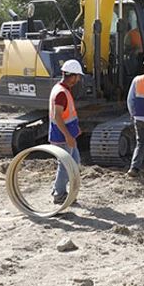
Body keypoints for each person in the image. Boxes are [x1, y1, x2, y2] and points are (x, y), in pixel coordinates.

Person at [49, 59, 85, 205]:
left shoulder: (61, 89)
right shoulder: (61, 93)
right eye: (78, 76)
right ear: (73, 75)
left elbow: (67, 114)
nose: (79, 79)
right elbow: (58, 116)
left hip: (68, 134)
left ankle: (59, 190)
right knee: (65, 166)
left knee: (75, 163)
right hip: (62, 137)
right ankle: (59, 195)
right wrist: (68, 136)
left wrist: (75, 130)